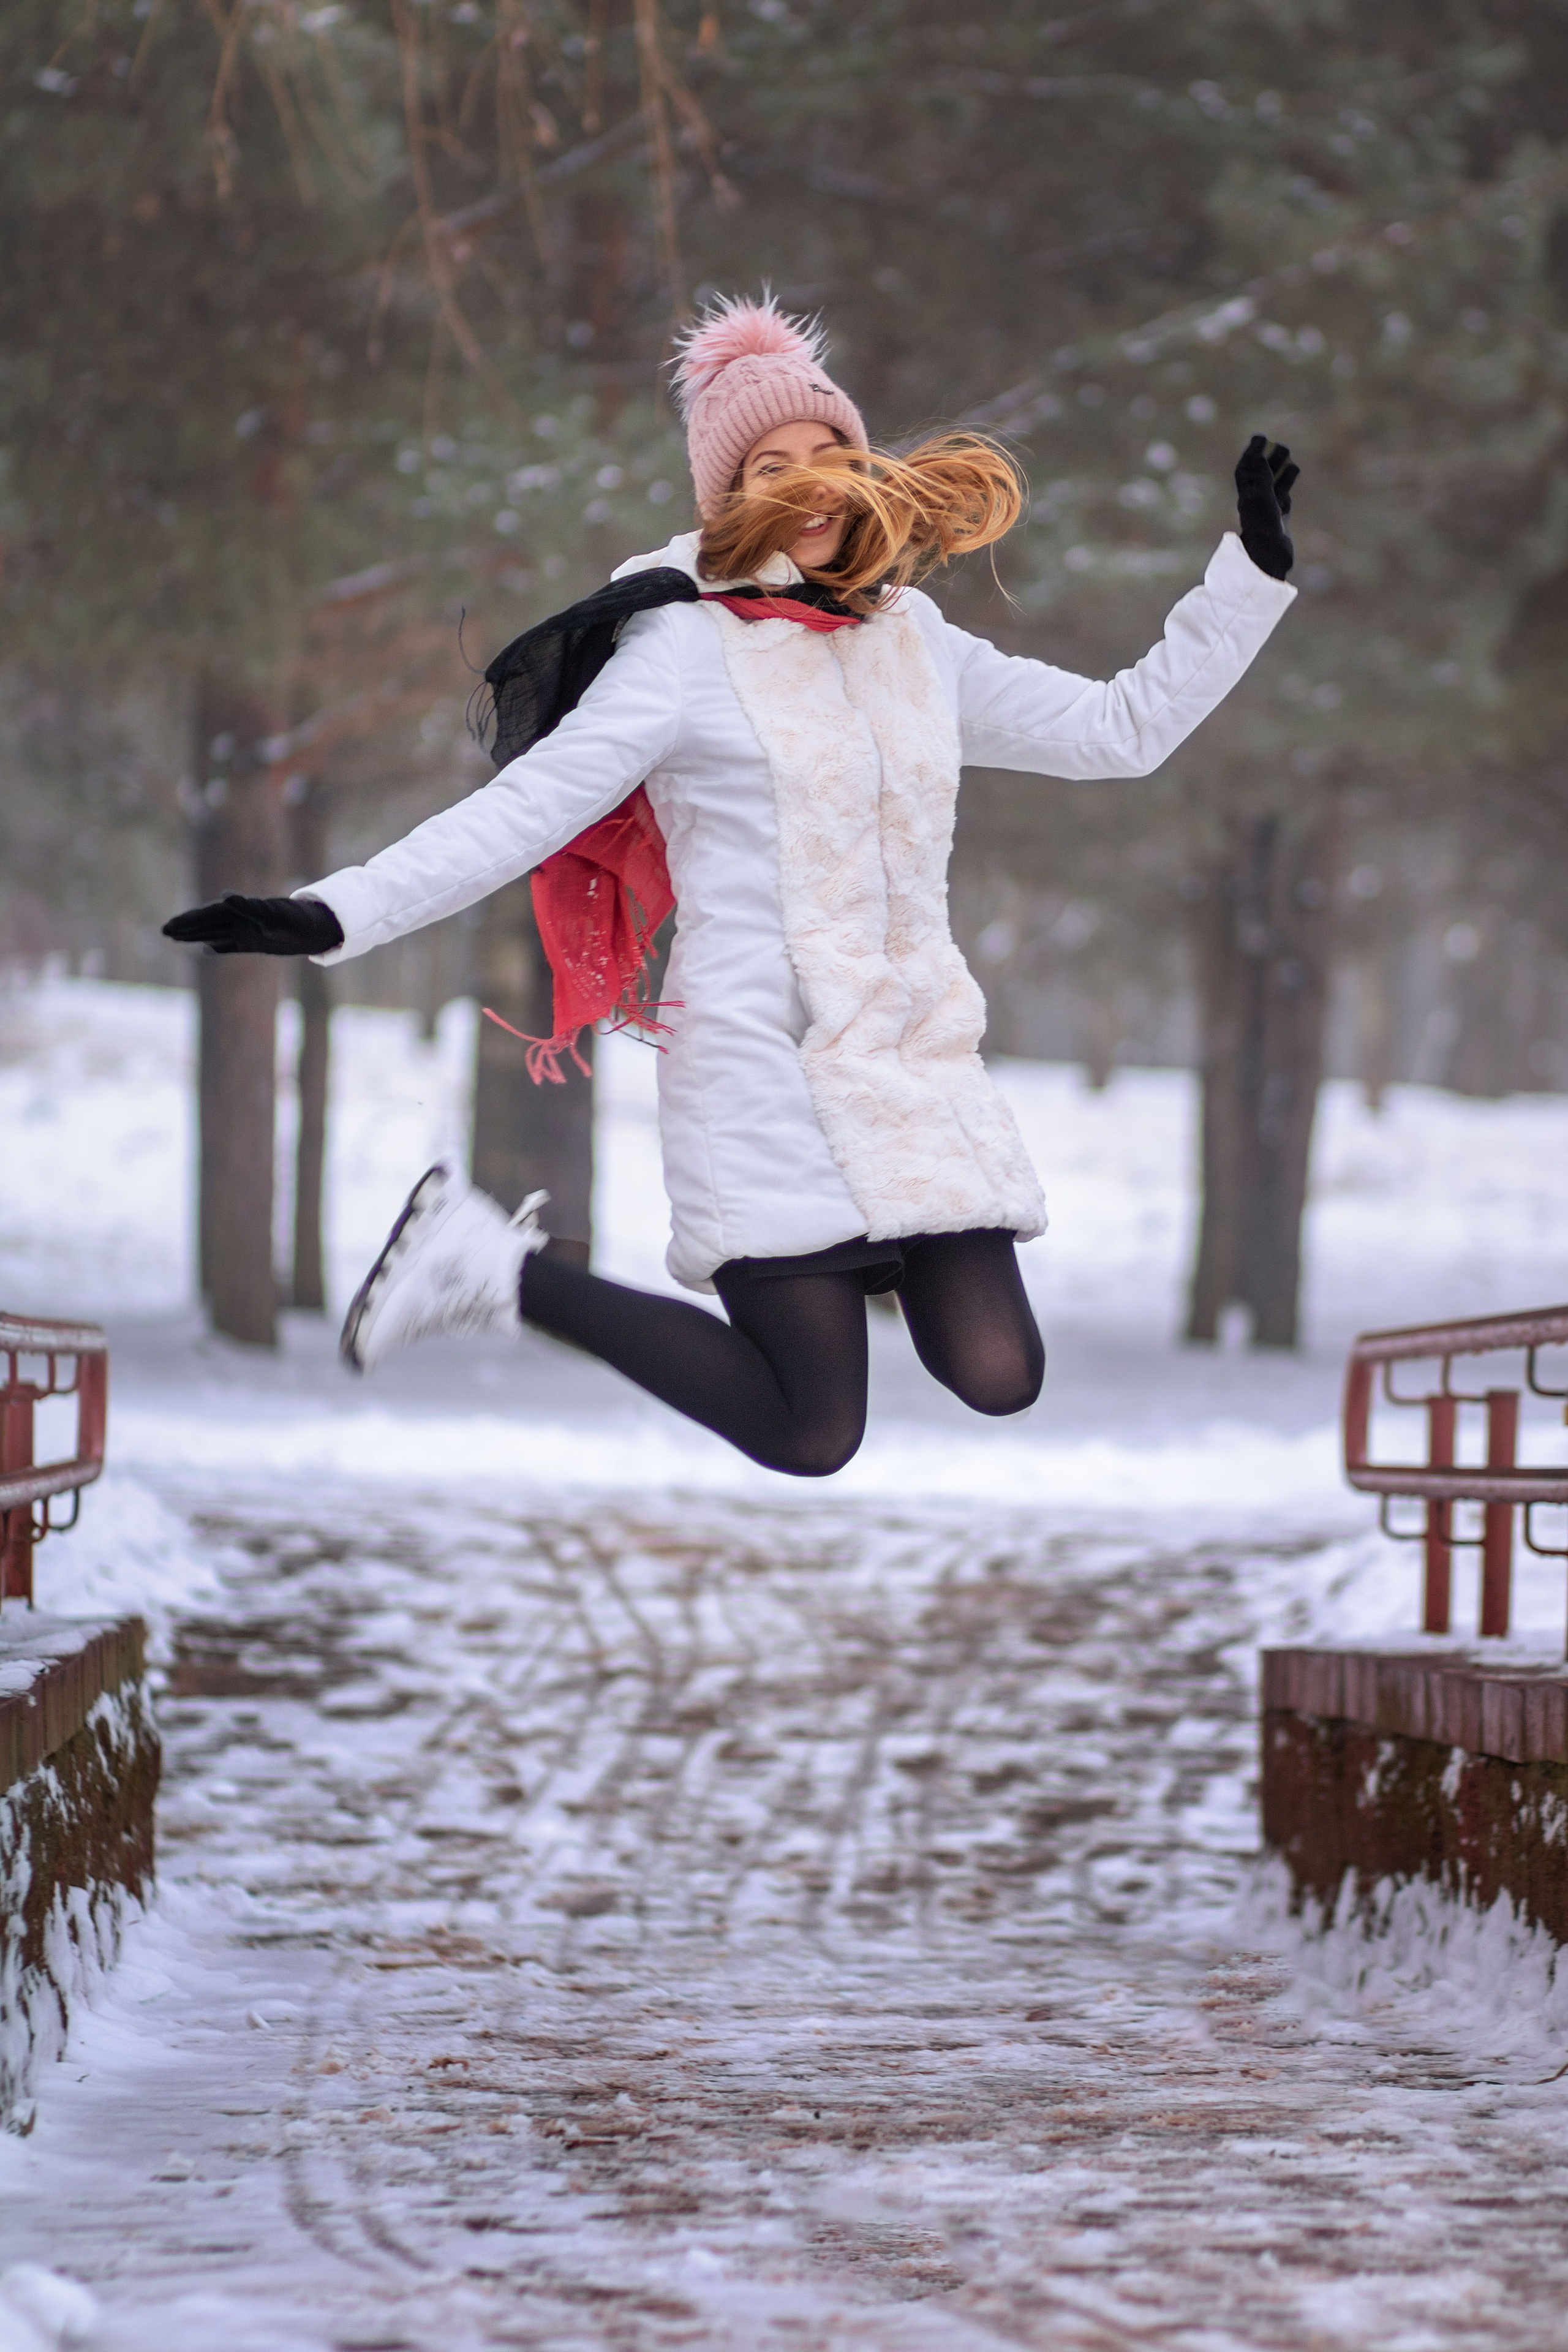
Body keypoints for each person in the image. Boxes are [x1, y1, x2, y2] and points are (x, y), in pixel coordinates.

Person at [165, 294, 1299, 1477]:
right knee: (813, 1432)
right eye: (771, 466)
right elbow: (528, 808)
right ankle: (492, 1268)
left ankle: (557, 1264)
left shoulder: (913, 639)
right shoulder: (683, 648)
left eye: (830, 453)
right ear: (726, 497)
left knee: (999, 1370)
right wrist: (334, 911)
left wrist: (1248, 581)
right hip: (760, 1063)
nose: (811, 485)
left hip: (910, 1062)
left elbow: (1120, 731)